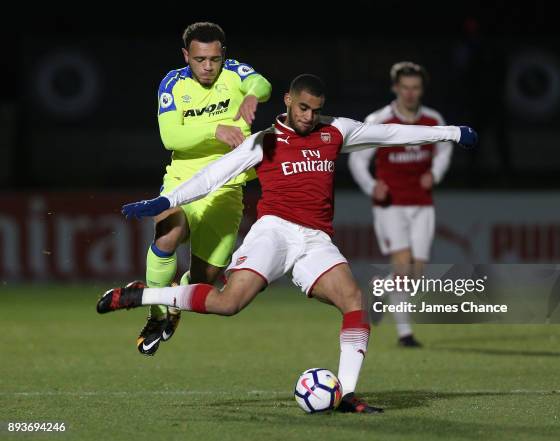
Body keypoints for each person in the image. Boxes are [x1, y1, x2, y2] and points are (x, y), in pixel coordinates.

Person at [97, 74, 477, 413]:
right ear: (288, 101)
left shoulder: (336, 131)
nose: (309, 117)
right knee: (229, 304)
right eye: (303, 108)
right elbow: (213, 175)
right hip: (274, 231)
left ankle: (346, 395)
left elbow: (391, 134)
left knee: (353, 301)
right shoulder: (265, 141)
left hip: (315, 239)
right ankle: (140, 296)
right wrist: (166, 201)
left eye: (316, 110)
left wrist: (452, 133)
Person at [137, 22, 272, 356]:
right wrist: (216, 130)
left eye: (214, 58)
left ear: (223, 54)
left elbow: (262, 82)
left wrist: (253, 93)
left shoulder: (236, 74)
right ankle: (155, 315)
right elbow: (170, 138)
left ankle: (174, 305)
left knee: (202, 280)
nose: (208, 66)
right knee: (167, 232)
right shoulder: (172, 83)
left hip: (228, 187)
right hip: (184, 180)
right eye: (199, 59)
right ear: (187, 56)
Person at [348, 61, 452, 348]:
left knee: (415, 274)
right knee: (403, 265)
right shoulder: (379, 120)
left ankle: (379, 286)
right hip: (390, 204)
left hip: (422, 204)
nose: (409, 93)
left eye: (415, 88)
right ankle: (405, 334)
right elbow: (357, 160)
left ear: (421, 90)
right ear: (395, 88)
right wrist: (372, 186)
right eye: (404, 87)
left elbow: (444, 148)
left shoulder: (432, 120)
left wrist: (435, 173)